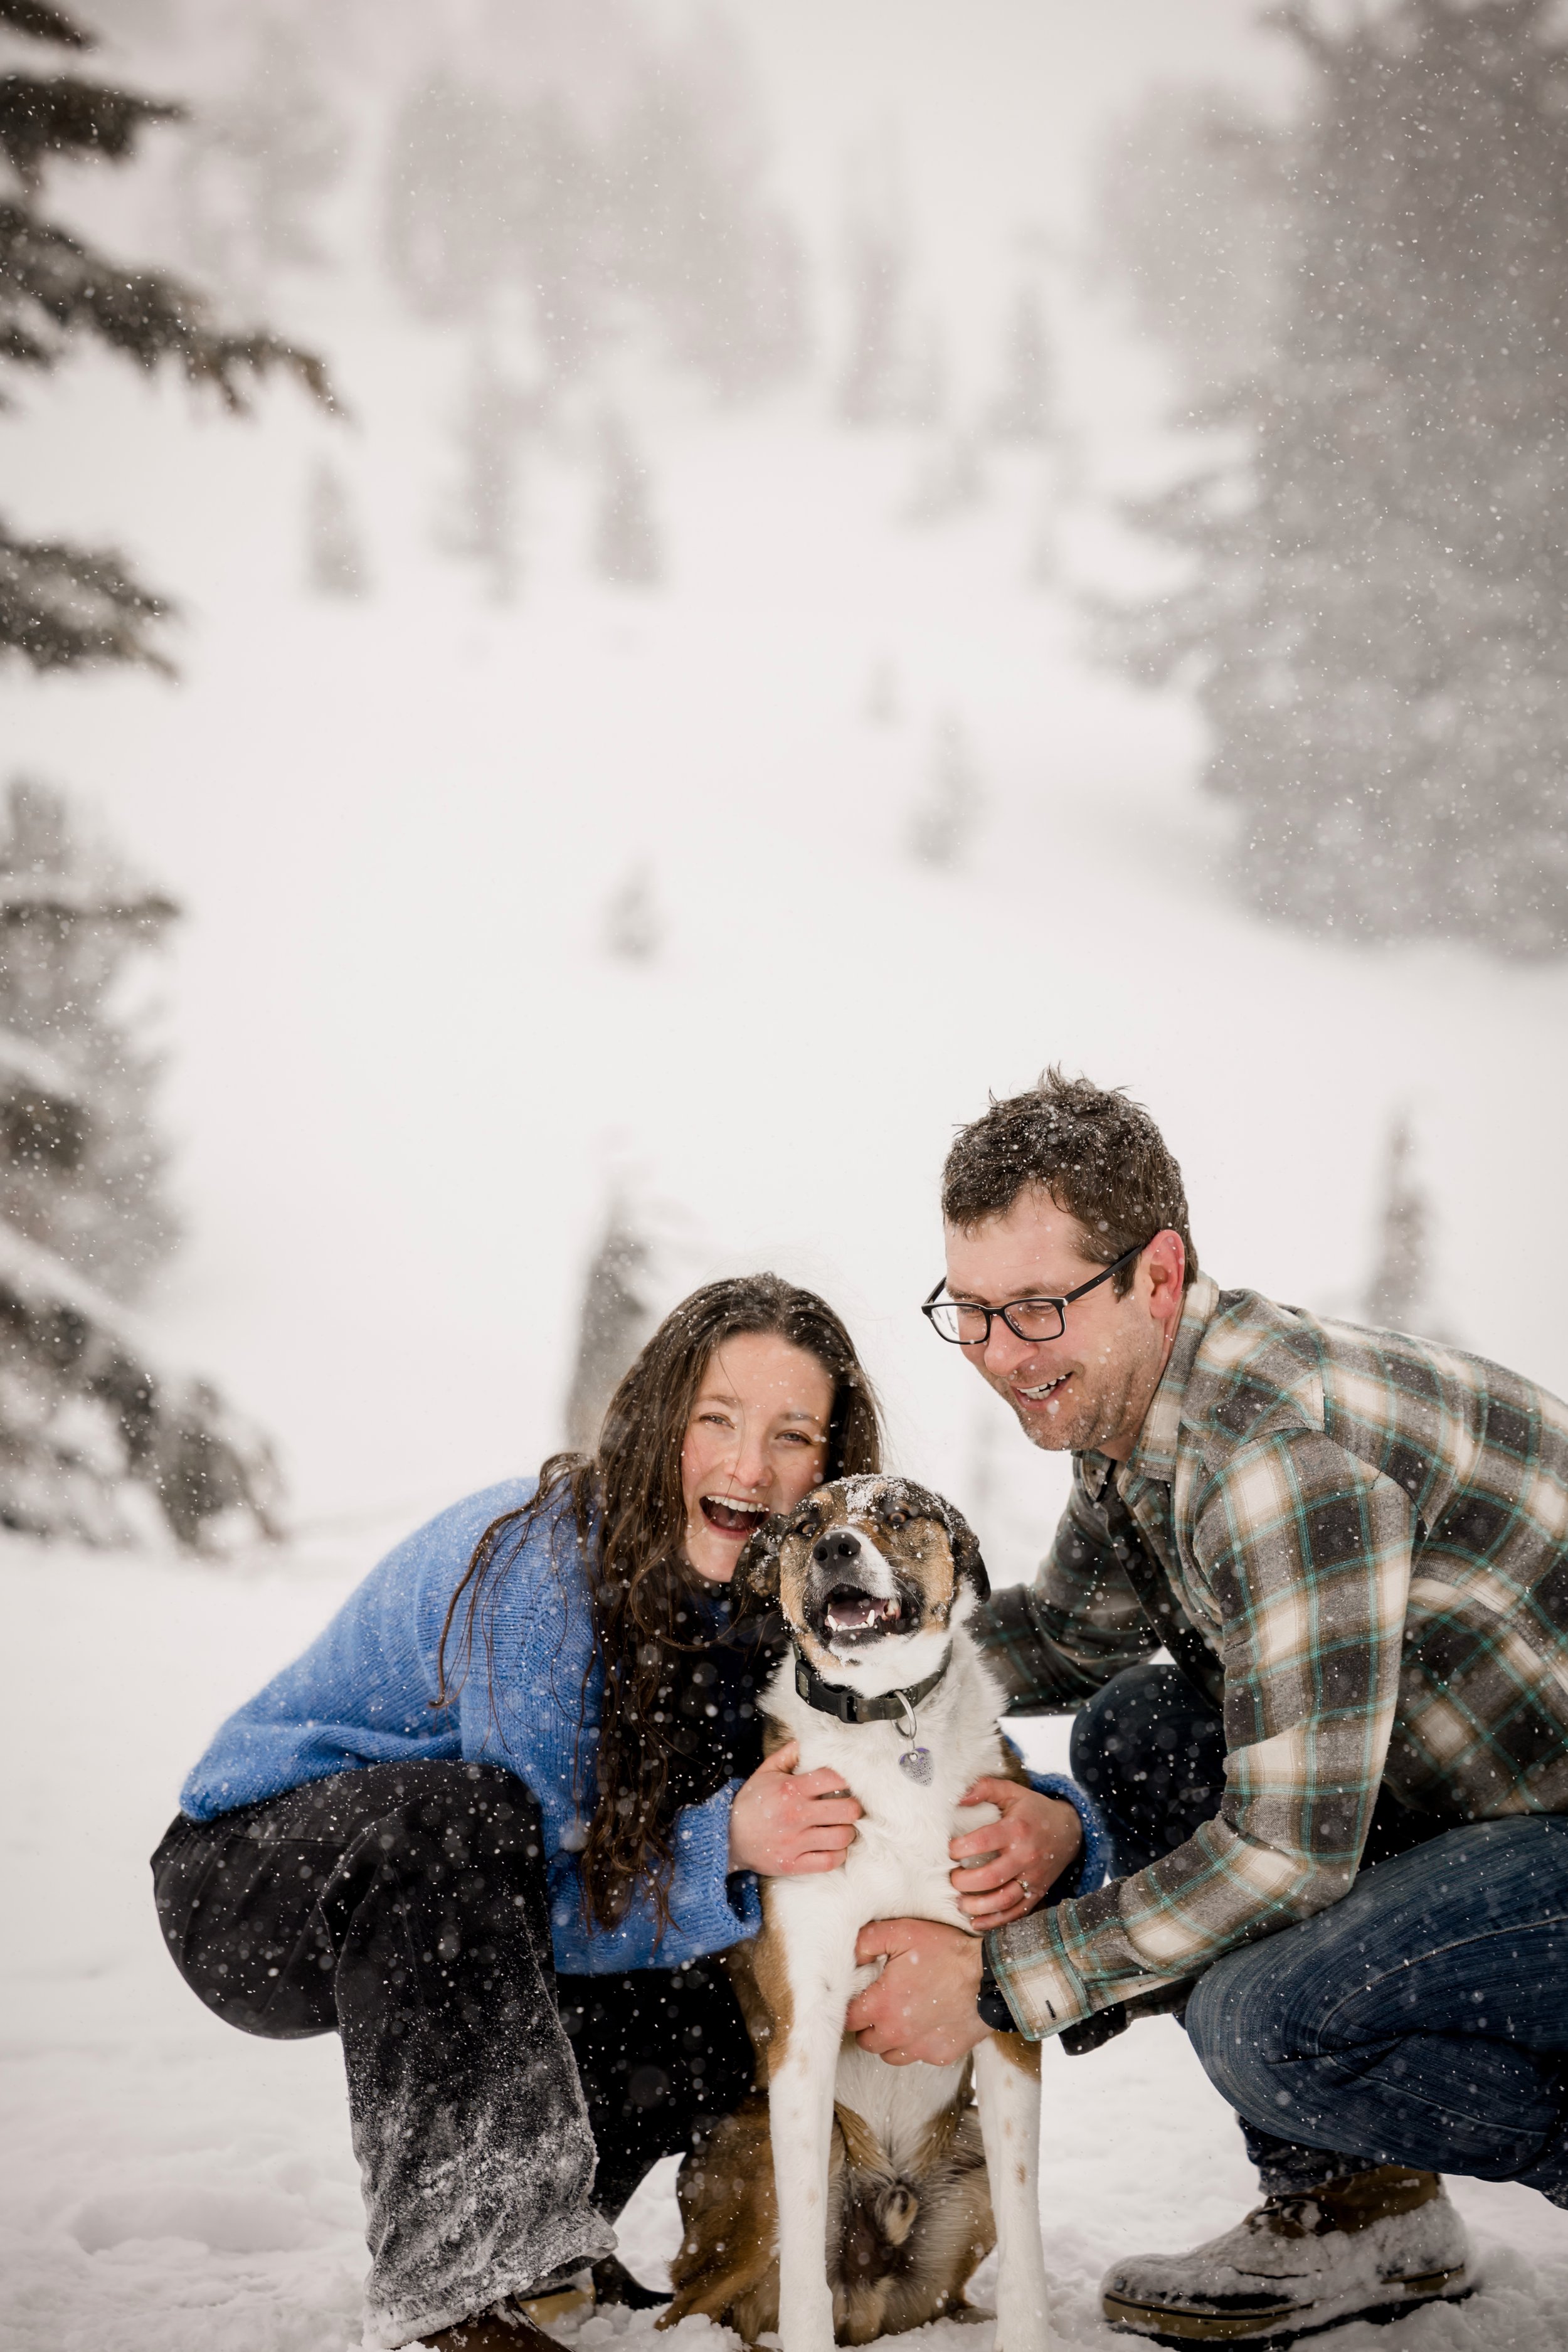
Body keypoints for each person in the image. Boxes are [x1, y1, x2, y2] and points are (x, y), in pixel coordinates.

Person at [152, 1272, 1098, 2352]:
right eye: (716, 1421)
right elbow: (528, 1903)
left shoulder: (772, 1604)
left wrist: (1057, 1822)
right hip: (256, 1873)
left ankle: (546, 2235)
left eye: (793, 1436)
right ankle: (462, 2291)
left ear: (831, 1477)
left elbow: (936, 1722)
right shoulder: (545, 1576)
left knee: (718, 2001)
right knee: (468, 1820)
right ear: (659, 1424)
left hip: (472, 1895)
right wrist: (723, 1848)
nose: (749, 1466)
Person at [845, 1070, 1568, 2346]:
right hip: (1485, 1807)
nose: (1004, 1358)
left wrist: (997, 1979)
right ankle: (1359, 2215)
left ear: (1157, 1277)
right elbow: (1063, 1636)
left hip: (1549, 1831)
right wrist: (852, 1683)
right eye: (971, 1314)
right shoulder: (1133, 1422)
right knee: (1142, 1724)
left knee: (1271, 2023)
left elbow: (1286, 1855)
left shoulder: (1266, 1458)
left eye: (1036, 1308)